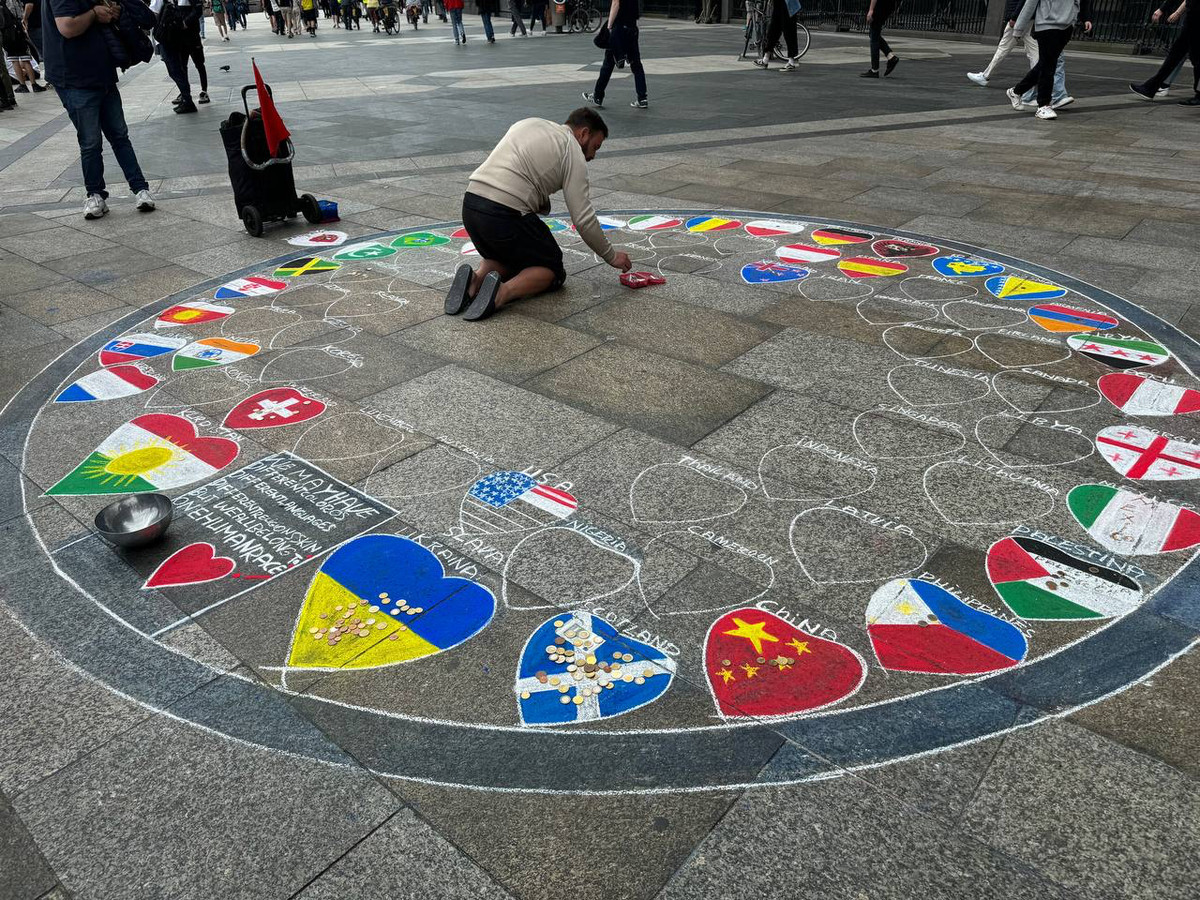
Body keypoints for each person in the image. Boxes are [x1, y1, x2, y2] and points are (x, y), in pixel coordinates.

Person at [446, 109, 632, 321]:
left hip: (471, 206)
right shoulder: (572, 149)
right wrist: (611, 256)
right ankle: (500, 294)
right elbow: (583, 218)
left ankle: (475, 280)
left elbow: (519, 170)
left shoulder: (530, 123)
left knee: (507, 255)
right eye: (595, 147)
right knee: (551, 268)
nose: (592, 156)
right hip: (504, 213)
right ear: (583, 133)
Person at [42, 0, 155, 218]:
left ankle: (140, 188)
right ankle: (95, 194)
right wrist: (94, 14)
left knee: (119, 136)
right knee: (91, 142)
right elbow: (67, 27)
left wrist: (114, 12)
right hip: (75, 78)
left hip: (102, 74)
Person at [1007, 0, 1092, 119]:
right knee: (1048, 67)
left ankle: (1016, 91)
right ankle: (1043, 105)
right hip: (1046, 25)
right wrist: (1019, 28)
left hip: (1066, 26)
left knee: (1045, 64)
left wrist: (1084, 18)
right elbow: (1030, 3)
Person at [1129, 0, 1199, 106]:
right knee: (1175, 54)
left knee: (1194, 58)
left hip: (1196, 18)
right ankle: (1151, 87)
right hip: (1193, 16)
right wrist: (1174, 12)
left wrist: (1168, 10)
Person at [582, 0, 648, 108]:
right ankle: (642, 98)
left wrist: (609, 26)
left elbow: (615, 3)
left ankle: (597, 96)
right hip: (632, 27)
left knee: (608, 63)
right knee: (636, 64)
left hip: (620, 28)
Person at [966, 0, 1033, 85]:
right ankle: (1040, 76)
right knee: (1033, 50)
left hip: (1019, 18)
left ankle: (985, 76)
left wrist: (1014, 17)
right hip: (1027, 17)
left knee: (1003, 48)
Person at [3, 0, 44, 91]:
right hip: (20, 29)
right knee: (25, 59)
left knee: (14, 60)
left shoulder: (4, 2)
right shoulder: (16, 1)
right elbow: (21, 12)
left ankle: (23, 85)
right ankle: (34, 84)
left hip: (8, 32)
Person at [753, 0, 802, 71]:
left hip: (787, 5)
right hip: (779, 3)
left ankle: (791, 62)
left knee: (789, 32)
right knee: (773, 30)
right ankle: (765, 59)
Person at [860, 0, 899, 77]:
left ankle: (875, 70)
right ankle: (891, 57)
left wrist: (871, 10)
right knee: (873, 34)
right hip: (888, 6)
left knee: (874, 36)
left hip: (879, 6)